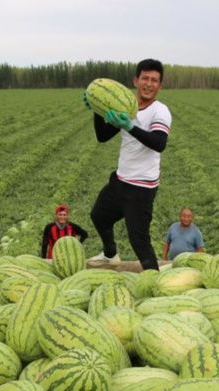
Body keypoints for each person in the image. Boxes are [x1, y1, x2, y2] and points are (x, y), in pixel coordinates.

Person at [85, 59, 172, 270]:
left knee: (139, 241)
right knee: (99, 215)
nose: (149, 84)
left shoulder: (160, 111)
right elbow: (103, 136)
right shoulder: (127, 107)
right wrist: (97, 110)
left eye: (154, 80)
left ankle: (155, 280)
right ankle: (110, 254)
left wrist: (130, 127)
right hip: (121, 180)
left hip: (142, 188)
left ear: (160, 86)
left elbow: (159, 143)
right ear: (136, 80)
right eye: (145, 78)